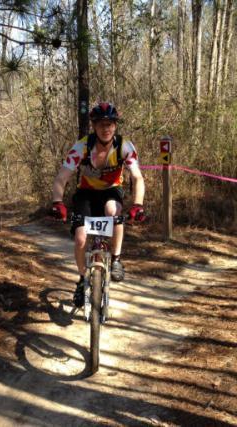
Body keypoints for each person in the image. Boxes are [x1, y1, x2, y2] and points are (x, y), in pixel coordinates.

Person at [52, 102, 145, 307]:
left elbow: (137, 178)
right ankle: (82, 279)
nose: (107, 128)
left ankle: (117, 259)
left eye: (111, 124)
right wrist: (57, 202)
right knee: (80, 238)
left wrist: (138, 204)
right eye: (102, 124)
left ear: (115, 126)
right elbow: (61, 178)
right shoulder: (82, 146)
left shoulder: (124, 146)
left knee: (114, 211)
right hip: (86, 193)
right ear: (94, 126)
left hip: (111, 191)